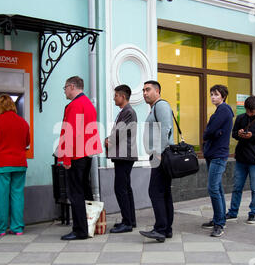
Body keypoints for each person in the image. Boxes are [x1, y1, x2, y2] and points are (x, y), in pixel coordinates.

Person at [58, 76, 103, 241]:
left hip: (76, 155)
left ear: (71, 86)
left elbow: (70, 132)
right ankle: (90, 225)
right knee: (85, 191)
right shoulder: (89, 104)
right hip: (87, 153)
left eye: (65, 88)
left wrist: (66, 159)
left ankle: (80, 230)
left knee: (75, 194)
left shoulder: (74, 105)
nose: (64, 91)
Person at [0, 94, 31, 236]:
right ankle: (17, 228)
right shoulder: (23, 122)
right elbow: (27, 143)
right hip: (19, 164)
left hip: (1, 164)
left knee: (2, 196)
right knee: (17, 195)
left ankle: (0, 229)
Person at [226, 96, 255, 224]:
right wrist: (239, 134)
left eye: (251, 111)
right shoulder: (241, 118)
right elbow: (234, 133)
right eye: (247, 110)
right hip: (241, 158)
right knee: (237, 187)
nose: (249, 113)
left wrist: (252, 136)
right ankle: (233, 212)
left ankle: (253, 213)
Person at [139, 80, 174, 243]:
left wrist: (158, 153)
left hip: (161, 155)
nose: (145, 93)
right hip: (160, 155)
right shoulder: (155, 107)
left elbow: (166, 128)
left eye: (148, 90)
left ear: (157, 91)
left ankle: (160, 229)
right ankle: (166, 229)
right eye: (143, 90)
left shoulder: (161, 105)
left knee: (155, 191)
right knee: (164, 192)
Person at [201, 85, 234, 237]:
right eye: (211, 94)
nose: (213, 97)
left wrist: (211, 132)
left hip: (218, 155)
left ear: (223, 96)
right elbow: (211, 131)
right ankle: (217, 219)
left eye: (216, 94)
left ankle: (219, 223)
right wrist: (212, 132)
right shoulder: (220, 110)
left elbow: (209, 131)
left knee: (213, 188)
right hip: (213, 153)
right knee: (217, 188)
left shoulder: (224, 110)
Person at [105, 84, 138, 233]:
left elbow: (120, 131)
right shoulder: (125, 111)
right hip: (124, 155)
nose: (114, 98)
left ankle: (127, 222)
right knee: (125, 188)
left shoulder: (128, 111)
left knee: (120, 188)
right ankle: (130, 220)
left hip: (124, 155)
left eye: (116, 95)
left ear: (122, 97)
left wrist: (109, 140)